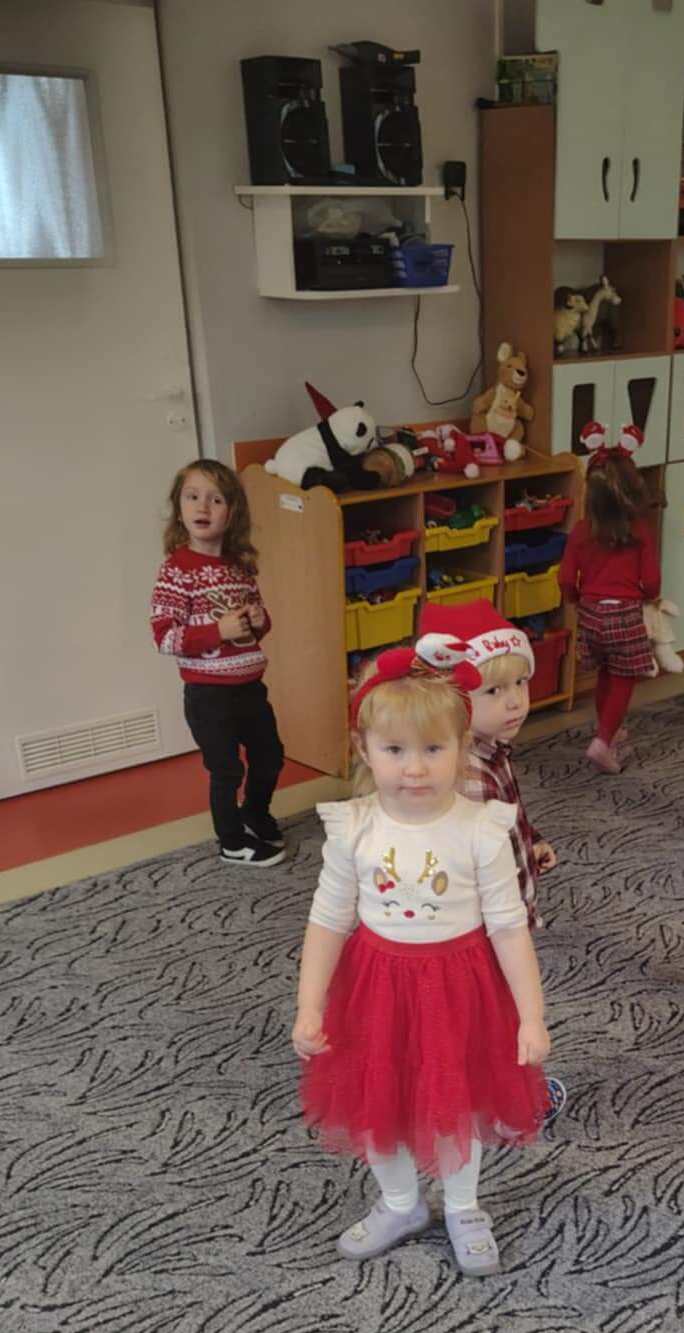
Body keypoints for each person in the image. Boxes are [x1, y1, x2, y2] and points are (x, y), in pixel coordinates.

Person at [293, 654, 549, 1274]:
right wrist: (309, 1005)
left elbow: (508, 927)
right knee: (378, 1099)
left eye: (434, 748)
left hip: (460, 987)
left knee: (456, 1103)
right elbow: (328, 920)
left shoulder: (480, 829)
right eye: (395, 750)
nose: (414, 767)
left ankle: (463, 1208)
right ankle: (401, 1203)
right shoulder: (354, 828)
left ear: (462, 748)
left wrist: (531, 1016)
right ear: (365, 749)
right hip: (376, 987)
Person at [436, 598, 569, 1131]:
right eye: (493, 691)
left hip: (496, 917)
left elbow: (504, 820)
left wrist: (528, 843)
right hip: (486, 929)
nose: (515, 701)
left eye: (520, 683)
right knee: (504, 1015)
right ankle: (514, 1104)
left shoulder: (490, 750)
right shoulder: (469, 775)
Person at [150, 459, 284, 867]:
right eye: (192, 497)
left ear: (232, 512)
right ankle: (231, 842)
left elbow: (256, 627)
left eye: (216, 499)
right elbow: (165, 638)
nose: (202, 507)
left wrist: (259, 622)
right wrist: (218, 631)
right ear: (180, 508)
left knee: (270, 756)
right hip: (208, 695)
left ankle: (254, 814)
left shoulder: (239, 569)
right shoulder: (176, 571)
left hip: (250, 688)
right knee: (226, 770)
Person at [559, 425, 660, 775]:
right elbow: (651, 582)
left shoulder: (581, 531)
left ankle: (610, 729)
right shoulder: (641, 533)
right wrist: (649, 597)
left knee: (605, 673)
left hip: (591, 615)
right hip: (624, 616)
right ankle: (603, 741)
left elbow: (565, 579)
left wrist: (575, 599)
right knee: (623, 679)